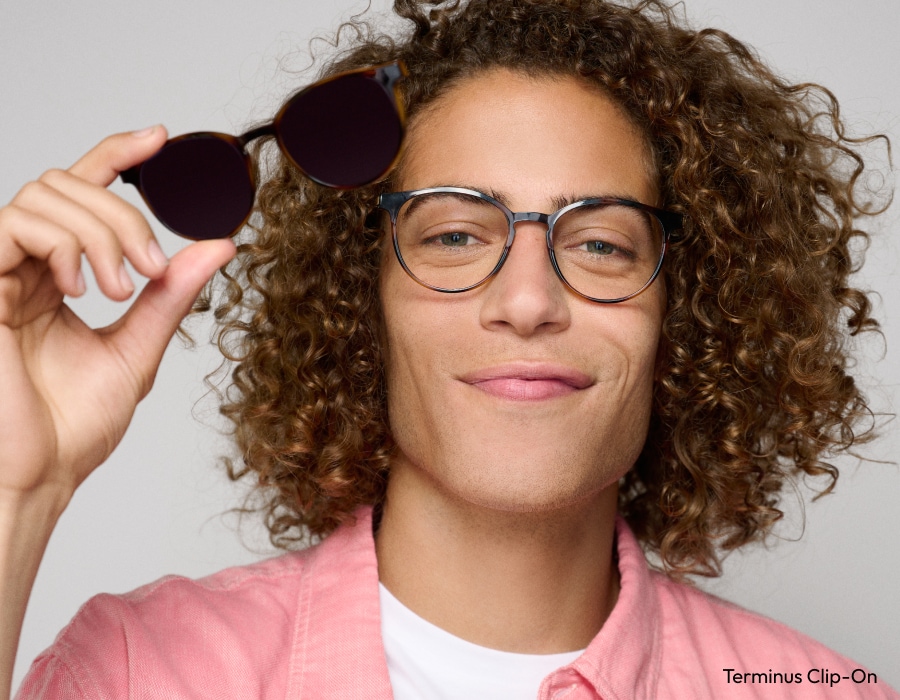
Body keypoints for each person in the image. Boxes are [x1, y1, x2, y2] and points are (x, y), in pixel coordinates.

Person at [2, 0, 898, 697]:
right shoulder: (137, 673)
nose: (528, 301)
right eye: (455, 237)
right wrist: (16, 490)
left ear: (688, 314)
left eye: (600, 244)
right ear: (364, 303)